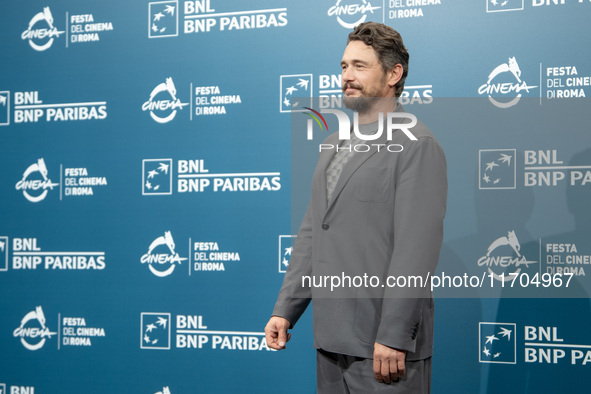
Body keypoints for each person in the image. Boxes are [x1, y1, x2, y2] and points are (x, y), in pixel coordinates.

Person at [265, 22, 447, 393]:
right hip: (331, 343)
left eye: (360, 66)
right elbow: (315, 230)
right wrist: (286, 309)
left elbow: (416, 249)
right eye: (344, 66)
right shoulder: (333, 144)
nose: (347, 76)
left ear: (394, 74)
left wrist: (394, 334)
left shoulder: (417, 145)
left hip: (384, 348)